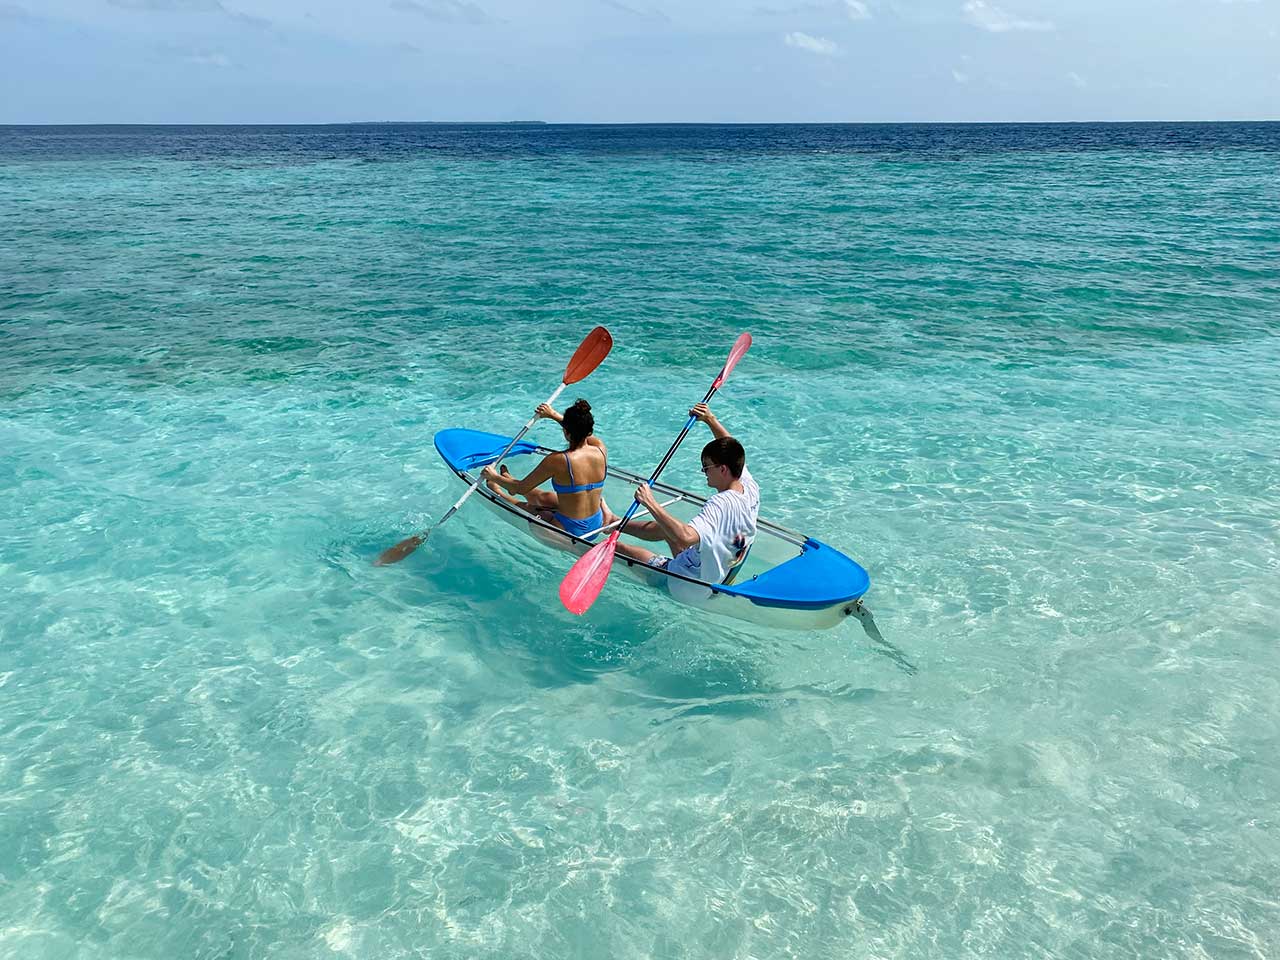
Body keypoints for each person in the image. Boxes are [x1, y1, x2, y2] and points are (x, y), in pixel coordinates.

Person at [616, 403, 759, 601]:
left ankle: (596, 543)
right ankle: (614, 522)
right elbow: (733, 451)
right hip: (717, 578)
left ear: (723, 469)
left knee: (622, 550)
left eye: (706, 467)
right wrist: (710, 419)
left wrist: (650, 502)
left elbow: (685, 537)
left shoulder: (720, 504)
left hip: (685, 586)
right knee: (666, 528)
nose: (704, 472)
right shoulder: (750, 487)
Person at [481, 399, 611, 541]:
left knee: (531, 508)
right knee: (546, 497)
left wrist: (493, 476)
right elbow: (580, 431)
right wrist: (553, 414)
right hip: (596, 523)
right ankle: (510, 480)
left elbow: (521, 489)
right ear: (589, 431)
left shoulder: (559, 460)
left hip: (571, 530)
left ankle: (499, 492)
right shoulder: (600, 449)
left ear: (566, 432)